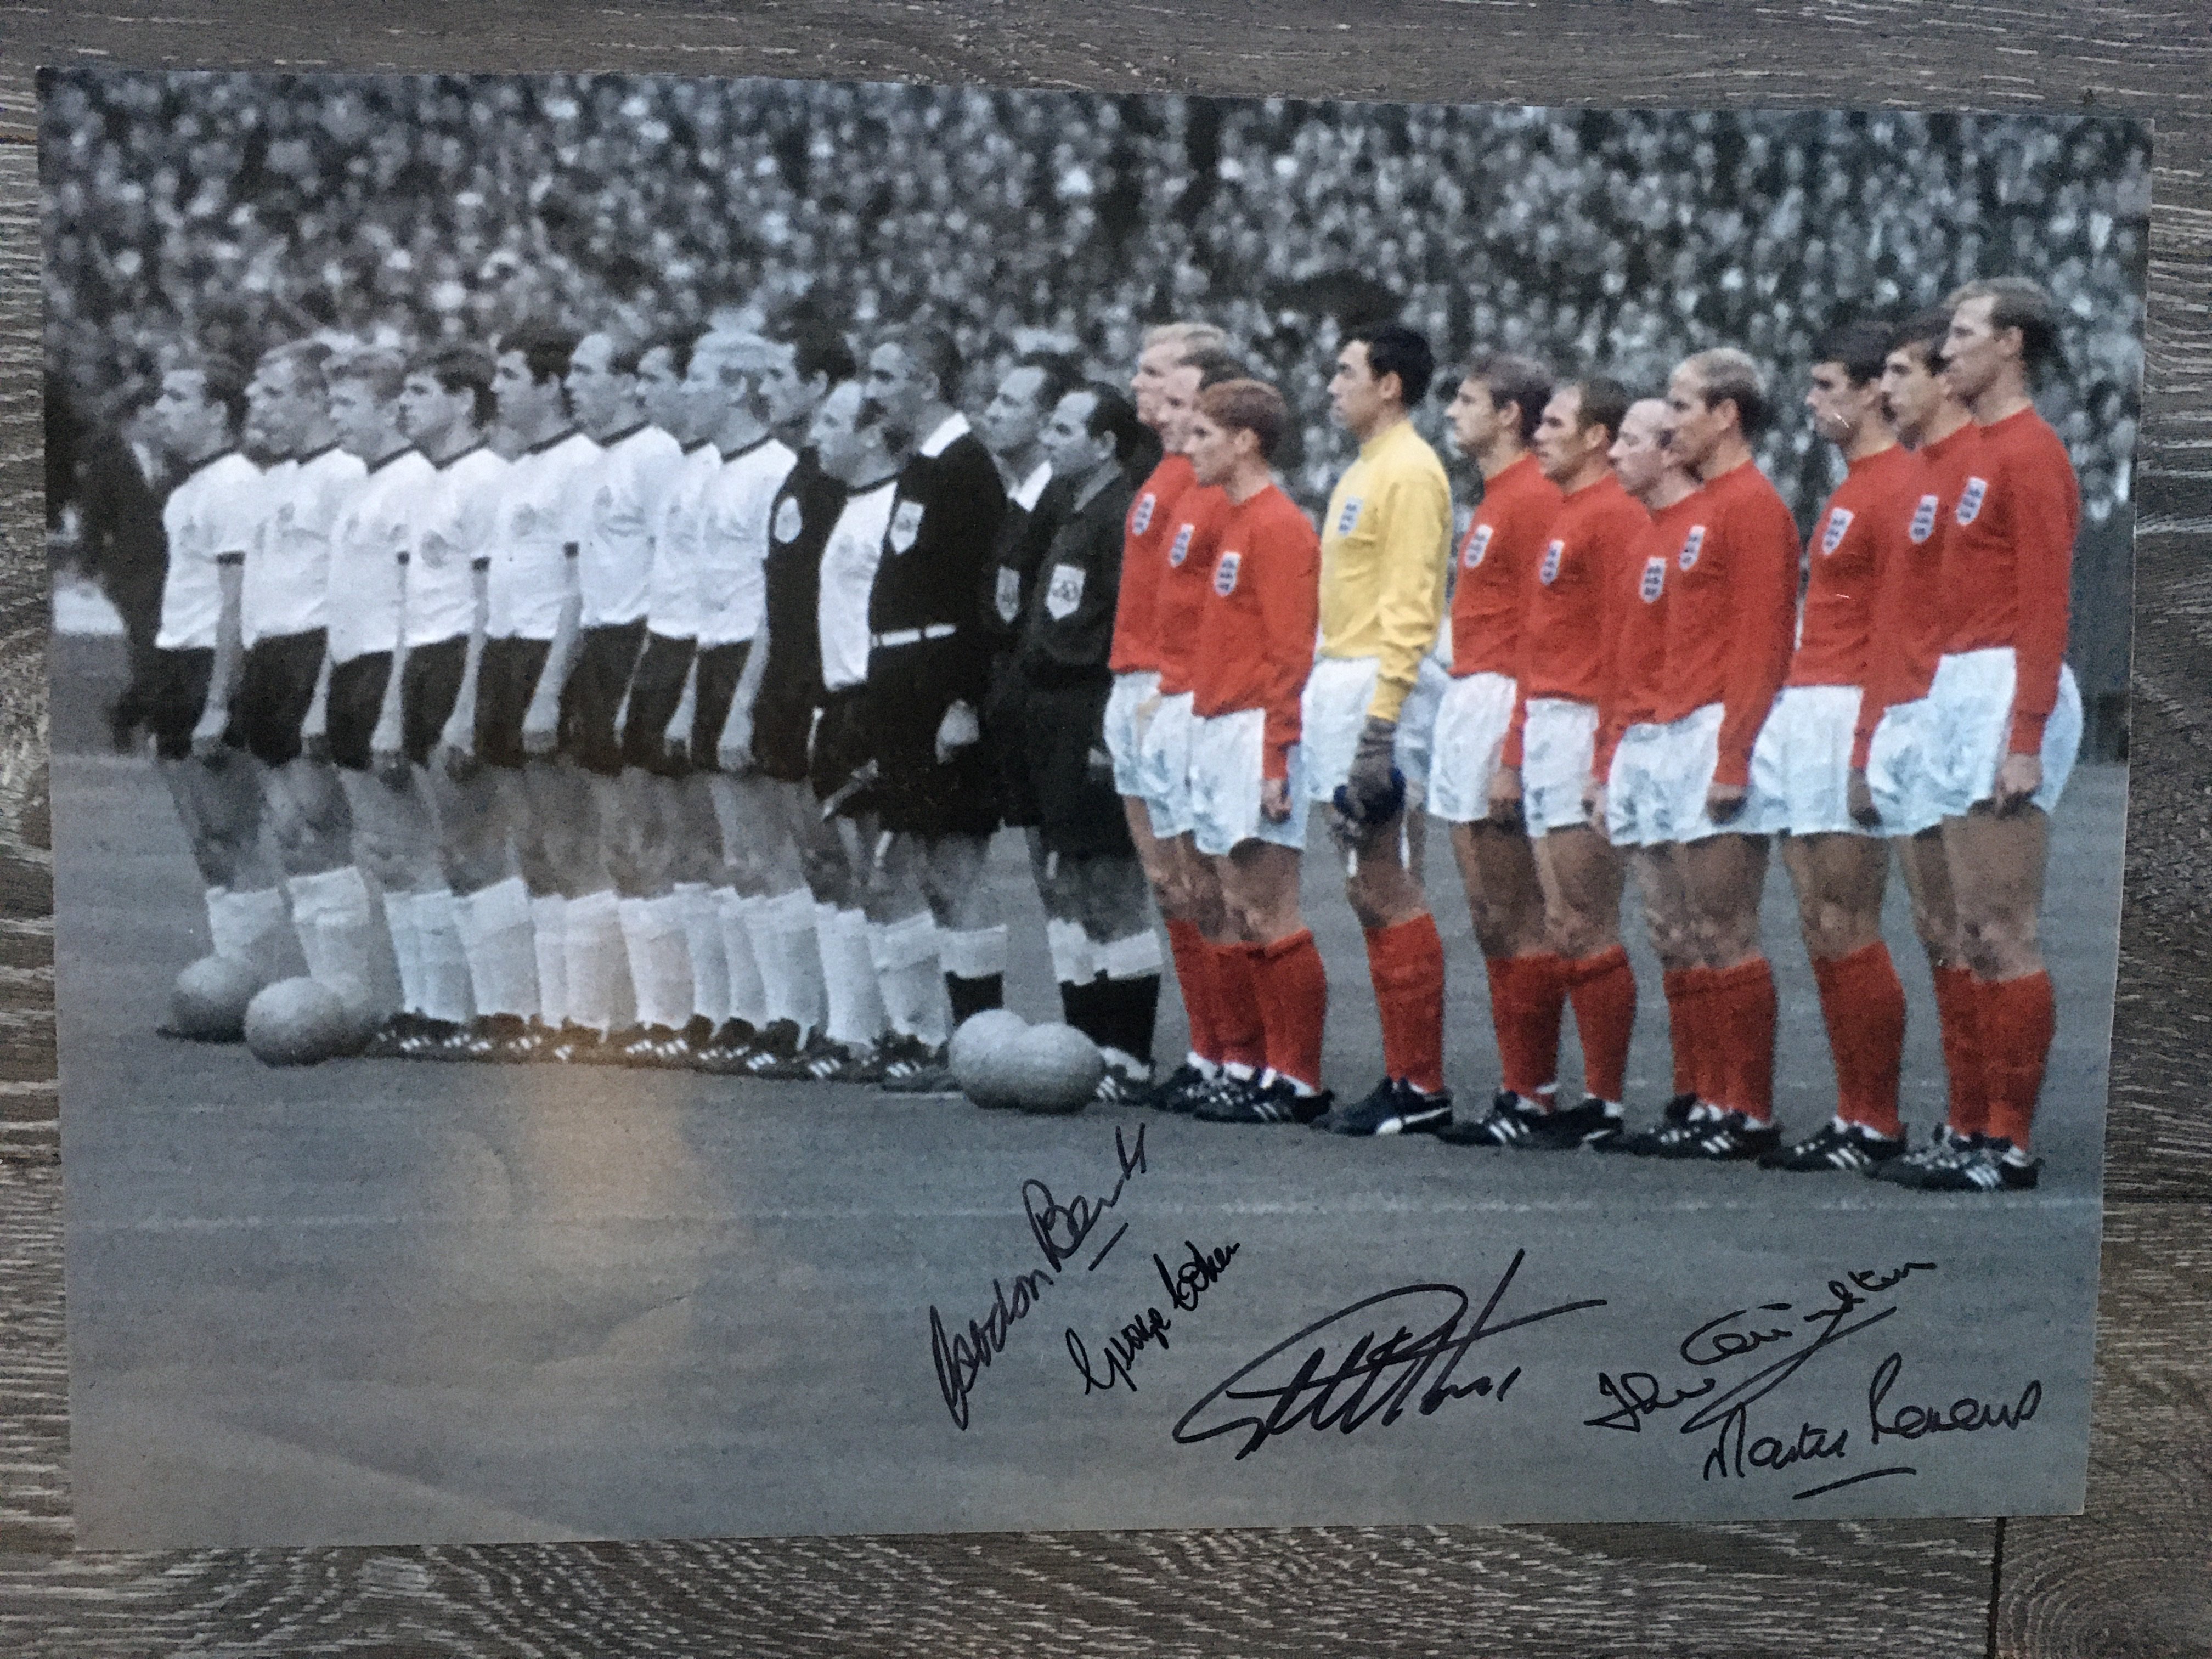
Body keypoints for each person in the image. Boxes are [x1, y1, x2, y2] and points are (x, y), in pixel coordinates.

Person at [1878, 278, 2084, 1192]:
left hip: (2005, 683)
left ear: (2010, 344)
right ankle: (1970, 1128)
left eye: (1963, 333)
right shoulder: (1974, 455)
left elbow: (2045, 602)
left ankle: (2009, 1140)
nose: (1947, 348)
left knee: (2004, 928)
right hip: (1960, 684)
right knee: (1965, 928)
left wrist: (2025, 732)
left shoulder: (2032, 453)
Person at [1606, 348, 1799, 1159]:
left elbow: (1762, 643)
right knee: (1678, 930)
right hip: (1667, 729)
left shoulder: (1752, 507)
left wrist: (1733, 755)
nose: (1670, 422)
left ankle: (1744, 1109)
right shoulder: (1695, 512)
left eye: (1682, 406)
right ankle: (1702, 1097)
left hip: (1715, 730)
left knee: (1725, 930)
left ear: (1726, 416)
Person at [1452, 377, 1650, 1149]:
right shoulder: (1565, 509)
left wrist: (1606, 754)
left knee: (1580, 918)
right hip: (1543, 722)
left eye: (1557, 423)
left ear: (1597, 436)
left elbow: (1623, 644)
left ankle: (1602, 1103)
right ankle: (1530, 1095)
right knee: (1542, 920)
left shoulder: (1612, 516)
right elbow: (1537, 648)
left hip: (1584, 722)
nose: (1540, 433)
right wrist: (1515, 748)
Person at [1751, 321, 1922, 1171]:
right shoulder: (1853, 485)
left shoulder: (1897, 487)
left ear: (1871, 391)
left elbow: (1895, 629)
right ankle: (1854, 1113)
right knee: (1820, 921)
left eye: (1827, 387)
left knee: (1850, 918)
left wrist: (1865, 747)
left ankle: (1876, 1119)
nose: (1812, 401)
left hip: (1851, 703)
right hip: (1810, 702)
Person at [1302, 322, 1456, 1137]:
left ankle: (1420, 1085)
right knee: (1366, 886)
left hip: (1377, 683)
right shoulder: (1366, 467)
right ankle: (1403, 1077)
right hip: (1345, 677)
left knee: (1388, 880)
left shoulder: (1411, 471)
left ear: (1389, 384)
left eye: (1346, 372)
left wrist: (1382, 722)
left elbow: (1411, 604)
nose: (1332, 387)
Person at [854, 328, 1011, 1085]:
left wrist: (963, 699)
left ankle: (978, 1043)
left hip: (938, 681)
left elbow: (981, 597)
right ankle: (937, 1040)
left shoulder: (966, 469)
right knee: (921, 866)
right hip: (901, 679)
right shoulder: (921, 466)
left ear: (927, 382)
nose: (872, 392)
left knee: (956, 869)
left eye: (886, 377)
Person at [1850, 311, 1988, 1179]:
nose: (1886, 389)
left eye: (1902, 373)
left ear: (1945, 380)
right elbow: (1891, 620)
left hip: (1950, 711)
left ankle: (1990, 1128)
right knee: (1939, 930)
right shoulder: (1917, 476)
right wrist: (1874, 734)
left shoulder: (1975, 465)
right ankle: (1965, 1122)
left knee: (1978, 929)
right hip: (1904, 715)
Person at [1418, 354, 1562, 1137]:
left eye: (1468, 400)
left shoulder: (1535, 496)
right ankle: (1518, 1089)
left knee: (1518, 913)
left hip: (1506, 698)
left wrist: (1515, 748)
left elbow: (1546, 631)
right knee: (1488, 915)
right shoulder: (1497, 496)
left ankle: (1533, 1095)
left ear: (1510, 415)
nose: (1452, 412)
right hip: (1471, 695)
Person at [1177, 380, 1329, 1124]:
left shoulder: (1279, 526)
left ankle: (1298, 1080)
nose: (1189, 448)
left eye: (1203, 434)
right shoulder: (1237, 520)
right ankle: (1260, 1068)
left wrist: (1276, 758)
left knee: (1270, 907)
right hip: (1218, 725)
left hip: (1254, 732)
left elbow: (1291, 654)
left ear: (1245, 441)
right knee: (1238, 907)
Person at [1006, 383, 1154, 1088]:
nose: (1049, 438)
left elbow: (1128, 626)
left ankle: (1129, 1054)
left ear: (1103, 444)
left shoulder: (1121, 515)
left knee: (1109, 886)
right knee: (1064, 883)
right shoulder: (1068, 506)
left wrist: (1104, 730)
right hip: (1045, 711)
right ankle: (1084, 1045)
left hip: (1088, 707)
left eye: (1064, 429)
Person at [1107, 323, 1235, 1107]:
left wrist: (1178, 685)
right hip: (1137, 681)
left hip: (1172, 686)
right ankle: (1207, 1049)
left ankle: (1235, 1056)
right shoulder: (1160, 472)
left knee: (1204, 883)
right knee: (1172, 886)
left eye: (1161, 378)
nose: (1143, 387)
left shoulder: (1206, 484)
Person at [234, 342, 380, 1023]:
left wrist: (324, 689)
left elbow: (350, 587)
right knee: (290, 832)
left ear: (316, 398)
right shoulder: (276, 479)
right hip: (267, 657)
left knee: (322, 827)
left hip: (312, 653)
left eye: (272, 392)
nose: (256, 404)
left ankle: (347, 996)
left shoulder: (345, 474)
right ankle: (321, 995)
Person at [467, 324, 600, 1058]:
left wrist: (550, 688)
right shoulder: (515, 470)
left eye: (511, 376)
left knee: (571, 840)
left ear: (551, 386)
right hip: (506, 655)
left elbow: (579, 588)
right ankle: (552, 1013)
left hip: (552, 658)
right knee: (533, 847)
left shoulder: (580, 466)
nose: (497, 390)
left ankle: (592, 1016)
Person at [144, 356, 294, 1006]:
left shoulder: (235, 485)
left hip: (211, 664)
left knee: (233, 834)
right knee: (207, 841)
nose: (161, 409)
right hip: (177, 662)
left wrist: (217, 700)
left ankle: (245, 982)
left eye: (178, 397)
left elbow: (237, 599)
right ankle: (229, 980)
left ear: (217, 413)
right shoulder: (187, 491)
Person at [317, 347, 453, 1053]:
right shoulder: (361, 488)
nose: (334, 415)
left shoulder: (413, 485)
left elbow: (411, 605)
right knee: (382, 852)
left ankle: (444, 1009)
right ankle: (414, 1004)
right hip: (351, 672)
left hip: (386, 673)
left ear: (388, 407)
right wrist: (324, 697)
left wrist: (394, 705)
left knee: (415, 846)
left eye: (347, 403)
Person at [1587, 398, 1708, 1140]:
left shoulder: (1705, 524)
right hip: (1640, 741)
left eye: (1628, 441)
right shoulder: (1642, 536)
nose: (1613, 453)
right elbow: (1622, 661)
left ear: (1668, 452)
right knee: (1668, 928)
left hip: (1688, 735)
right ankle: (1692, 1095)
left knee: (1706, 928)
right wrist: (1608, 761)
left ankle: (1727, 1099)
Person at [741, 323, 856, 1080]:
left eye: (780, 375)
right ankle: (814, 1020)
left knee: (840, 859)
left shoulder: (839, 478)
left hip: (824, 683)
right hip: (785, 680)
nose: (765, 390)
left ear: (818, 385)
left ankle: (856, 1030)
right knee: (808, 859)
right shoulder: (799, 472)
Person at [793, 377, 906, 1079]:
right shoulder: (847, 504)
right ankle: (861, 1032)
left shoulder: (895, 506)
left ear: (870, 434)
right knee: (848, 870)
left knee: (888, 872)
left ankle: (911, 1033)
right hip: (837, 702)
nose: (816, 437)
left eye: (832, 422)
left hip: (876, 700)